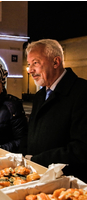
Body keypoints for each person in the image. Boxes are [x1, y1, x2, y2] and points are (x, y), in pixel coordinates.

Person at [23, 39, 87, 183]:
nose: (30, 70)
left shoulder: (82, 92)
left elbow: (81, 149)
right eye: (29, 64)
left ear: (56, 62)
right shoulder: (40, 95)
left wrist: (36, 160)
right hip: (38, 176)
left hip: (68, 184)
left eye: (35, 63)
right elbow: (32, 135)